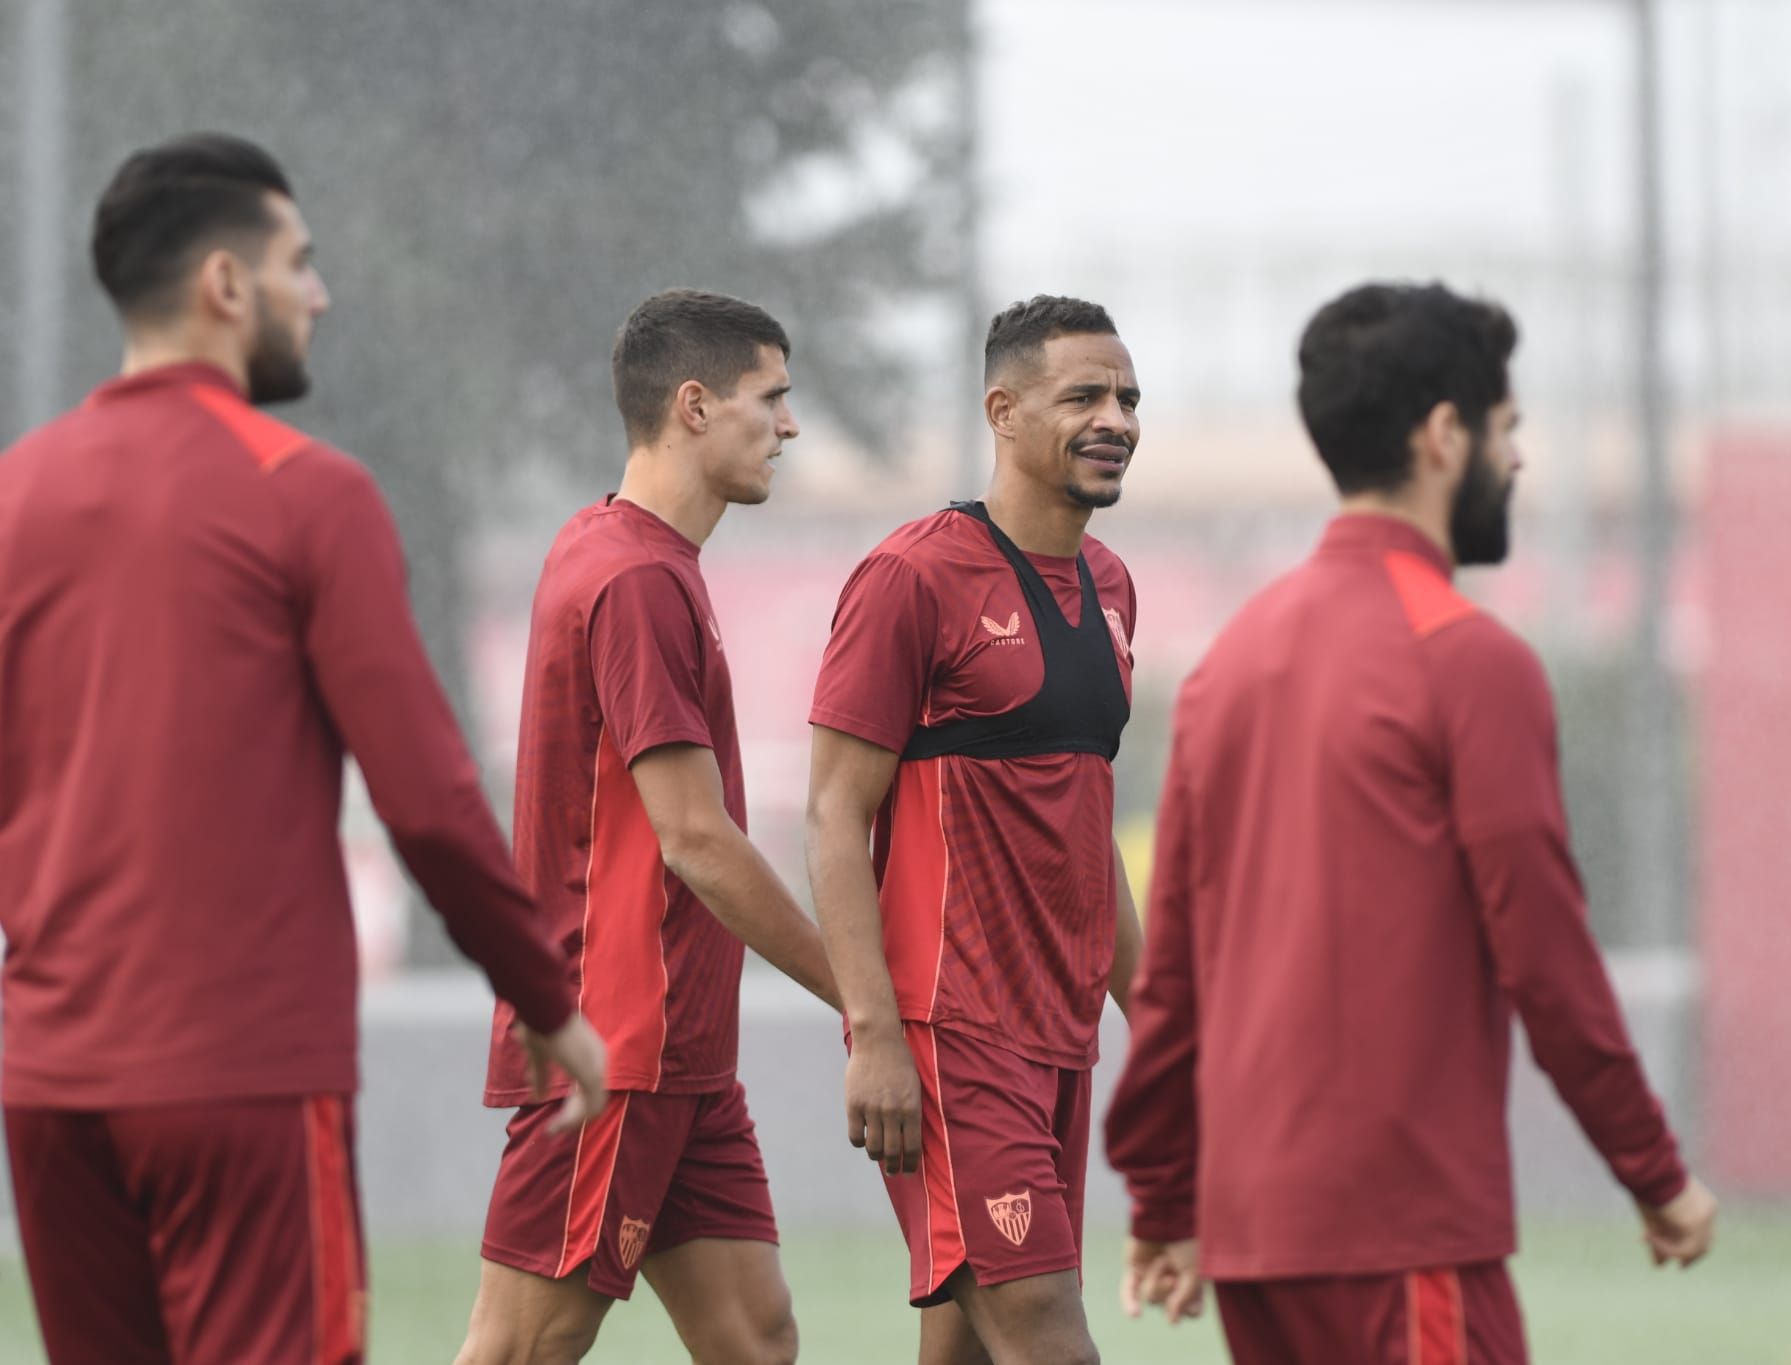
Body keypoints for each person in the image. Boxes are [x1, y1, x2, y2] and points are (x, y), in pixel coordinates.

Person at [0, 132, 606, 1365]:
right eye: (300, 264)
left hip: (49, 1087)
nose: (317, 295)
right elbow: (427, 796)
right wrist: (547, 998)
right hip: (239, 1077)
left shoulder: (18, 492)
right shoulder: (304, 490)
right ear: (227, 284)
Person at [1103, 282, 1717, 1364]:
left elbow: (1175, 971)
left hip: (1256, 1243)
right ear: (1443, 437)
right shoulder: (1468, 659)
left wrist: (1163, 1196)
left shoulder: (1230, 662)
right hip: (1398, 1235)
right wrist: (1653, 1173)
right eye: (1506, 429)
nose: (1516, 461)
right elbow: (1546, 958)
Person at [456, 289, 841, 1365]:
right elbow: (697, 841)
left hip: (683, 1056)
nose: (791, 427)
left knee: (755, 1341)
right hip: (621, 1042)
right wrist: (863, 995)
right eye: (773, 399)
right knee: (520, 1351)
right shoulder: (634, 578)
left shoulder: (618, 549)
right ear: (694, 407)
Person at [806, 295, 1146, 1365]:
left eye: (1128, 399)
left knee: (963, 1350)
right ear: (1001, 411)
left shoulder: (1111, 587)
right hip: (952, 1035)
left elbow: (1087, 841)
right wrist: (874, 1035)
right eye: (1082, 396)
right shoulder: (913, 577)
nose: (1116, 419)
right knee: (1047, 1338)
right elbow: (831, 817)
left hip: (1059, 1037)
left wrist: (1176, 1028)